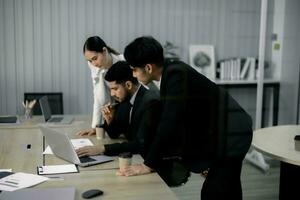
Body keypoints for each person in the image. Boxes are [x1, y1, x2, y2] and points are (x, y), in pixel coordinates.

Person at [121, 36, 253, 200]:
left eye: (134, 69)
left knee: (215, 191)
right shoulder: (171, 73)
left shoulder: (175, 75)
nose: (133, 74)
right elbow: (190, 120)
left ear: (148, 67)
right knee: (226, 187)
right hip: (228, 132)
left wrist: (148, 164)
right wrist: (204, 161)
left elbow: (169, 124)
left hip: (233, 134)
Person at [75, 61, 160, 162]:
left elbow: (140, 144)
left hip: (150, 161)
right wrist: (110, 119)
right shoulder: (125, 100)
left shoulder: (150, 102)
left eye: (115, 89)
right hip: (135, 156)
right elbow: (115, 133)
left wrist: (102, 148)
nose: (112, 94)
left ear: (128, 85)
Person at [77, 36, 124, 136]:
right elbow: (98, 96)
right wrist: (96, 126)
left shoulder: (123, 63)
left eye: (95, 58)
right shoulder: (94, 65)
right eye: (89, 61)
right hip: (111, 114)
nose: (93, 64)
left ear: (104, 51)